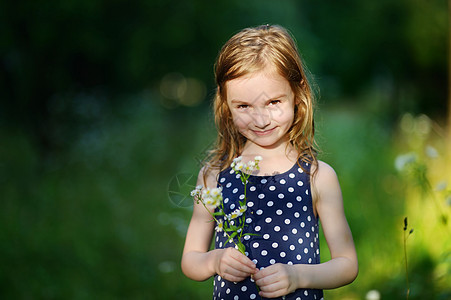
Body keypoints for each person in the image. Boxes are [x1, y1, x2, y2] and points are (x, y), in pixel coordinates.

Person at [181, 24, 358, 300]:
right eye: (244, 107)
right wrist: (214, 261)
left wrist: (299, 276)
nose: (261, 120)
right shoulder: (214, 176)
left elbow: (347, 265)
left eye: (274, 102)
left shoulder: (317, 176)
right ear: (225, 105)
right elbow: (190, 259)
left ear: (297, 95)